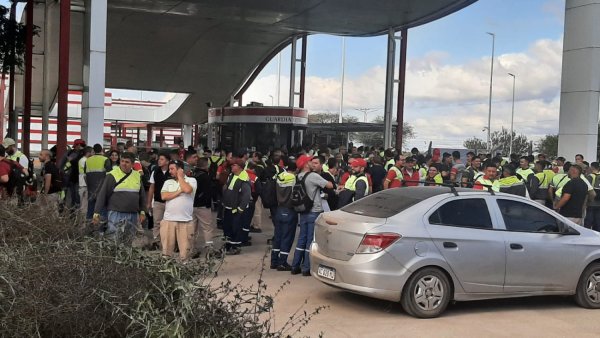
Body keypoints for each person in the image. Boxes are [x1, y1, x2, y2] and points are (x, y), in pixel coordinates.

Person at [291, 155, 333, 276]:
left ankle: (295, 266)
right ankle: (306, 268)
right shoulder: (313, 176)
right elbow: (329, 185)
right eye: (310, 161)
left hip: (303, 210)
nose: (312, 163)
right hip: (314, 210)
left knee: (301, 238)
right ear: (305, 164)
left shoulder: (298, 176)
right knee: (310, 239)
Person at [93, 152, 147, 244]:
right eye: (122, 161)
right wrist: (96, 212)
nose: (123, 164)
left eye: (127, 162)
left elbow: (142, 195)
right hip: (115, 214)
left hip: (133, 214)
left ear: (133, 164)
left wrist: (142, 211)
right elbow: (103, 194)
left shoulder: (137, 175)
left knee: (128, 240)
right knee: (113, 240)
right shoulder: (112, 175)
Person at [160, 160, 197, 261]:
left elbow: (188, 190)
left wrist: (180, 177)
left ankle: (185, 271)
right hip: (168, 221)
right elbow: (164, 196)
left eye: (172, 169)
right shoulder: (168, 182)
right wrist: (180, 190)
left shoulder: (192, 180)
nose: (170, 171)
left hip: (185, 221)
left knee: (185, 251)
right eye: (169, 169)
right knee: (166, 250)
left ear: (180, 170)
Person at [221, 158, 251, 255]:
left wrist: (240, 209)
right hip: (228, 207)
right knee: (227, 227)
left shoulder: (244, 179)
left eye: (234, 165)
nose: (232, 166)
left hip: (236, 209)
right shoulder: (231, 175)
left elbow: (246, 196)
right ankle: (228, 245)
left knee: (236, 228)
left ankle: (235, 247)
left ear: (240, 167)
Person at [271, 162, 298, 271]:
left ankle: (274, 261)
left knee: (277, 236)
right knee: (287, 237)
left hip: (279, 209)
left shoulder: (279, 176)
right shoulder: (293, 178)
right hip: (289, 210)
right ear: (295, 170)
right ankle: (282, 262)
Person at [190, 157, 217, 254]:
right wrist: (208, 204)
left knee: (192, 228)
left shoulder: (192, 174)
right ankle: (209, 249)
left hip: (191, 205)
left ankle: (191, 249)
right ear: (206, 166)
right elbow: (208, 192)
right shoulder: (206, 177)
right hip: (203, 207)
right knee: (207, 228)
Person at [147, 153, 170, 244]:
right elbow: (152, 187)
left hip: (170, 202)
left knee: (169, 223)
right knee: (157, 222)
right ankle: (156, 241)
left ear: (167, 161)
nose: (159, 161)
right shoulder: (155, 171)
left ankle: (169, 242)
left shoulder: (172, 171)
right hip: (158, 201)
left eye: (162, 159)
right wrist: (149, 202)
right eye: (159, 159)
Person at [84, 144, 112, 220]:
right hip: (102, 190)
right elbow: (109, 176)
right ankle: (100, 230)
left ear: (93, 150)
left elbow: (85, 176)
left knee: (90, 211)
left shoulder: (87, 160)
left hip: (91, 190)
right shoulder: (105, 159)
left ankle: (89, 229)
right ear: (101, 150)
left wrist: (88, 186)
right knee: (101, 210)